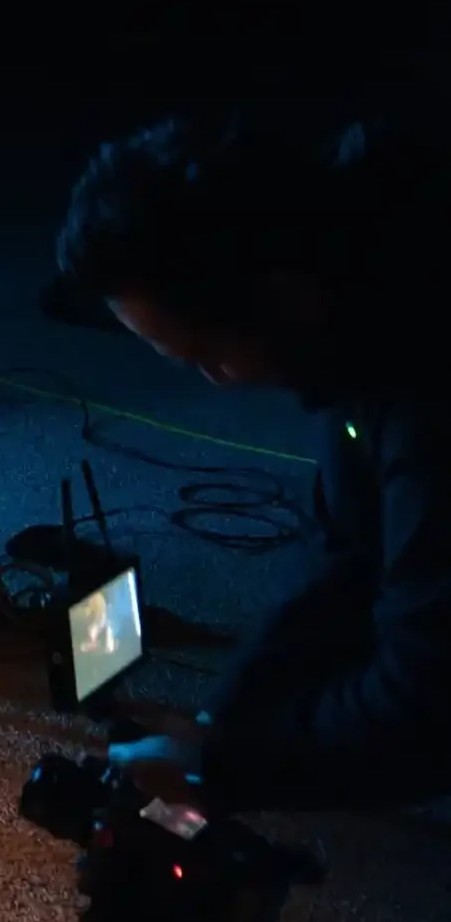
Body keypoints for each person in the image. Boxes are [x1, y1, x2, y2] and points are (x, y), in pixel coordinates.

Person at [54, 110, 449, 811]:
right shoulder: (353, 296)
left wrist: (227, 767)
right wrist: (221, 723)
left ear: (283, 295)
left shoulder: (424, 399)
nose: (215, 381)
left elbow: (424, 698)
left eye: (209, 356)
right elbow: (340, 546)